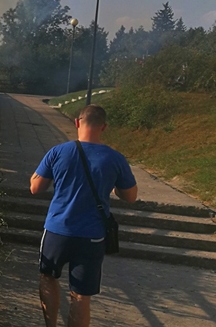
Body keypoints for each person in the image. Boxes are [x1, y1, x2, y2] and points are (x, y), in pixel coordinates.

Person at [29, 104, 138, 327]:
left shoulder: (58, 152)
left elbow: (36, 188)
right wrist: (113, 187)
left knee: (48, 278)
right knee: (80, 295)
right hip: (92, 236)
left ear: (77, 122)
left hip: (58, 230)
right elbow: (131, 196)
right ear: (104, 127)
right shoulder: (115, 159)